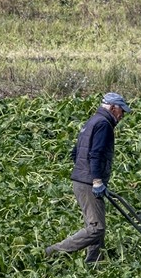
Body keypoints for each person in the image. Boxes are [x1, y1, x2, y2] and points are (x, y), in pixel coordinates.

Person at [45, 92, 131, 263]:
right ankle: (54, 251)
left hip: (82, 179)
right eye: (122, 111)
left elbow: (75, 152)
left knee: (96, 225)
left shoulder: (92, 121)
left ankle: (94, 262)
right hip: (89, 182)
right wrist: (96, 180)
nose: (122, 115)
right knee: (96, 228)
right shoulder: (104, 124)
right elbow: (96, 153)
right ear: (113, 108)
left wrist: (82, 172)